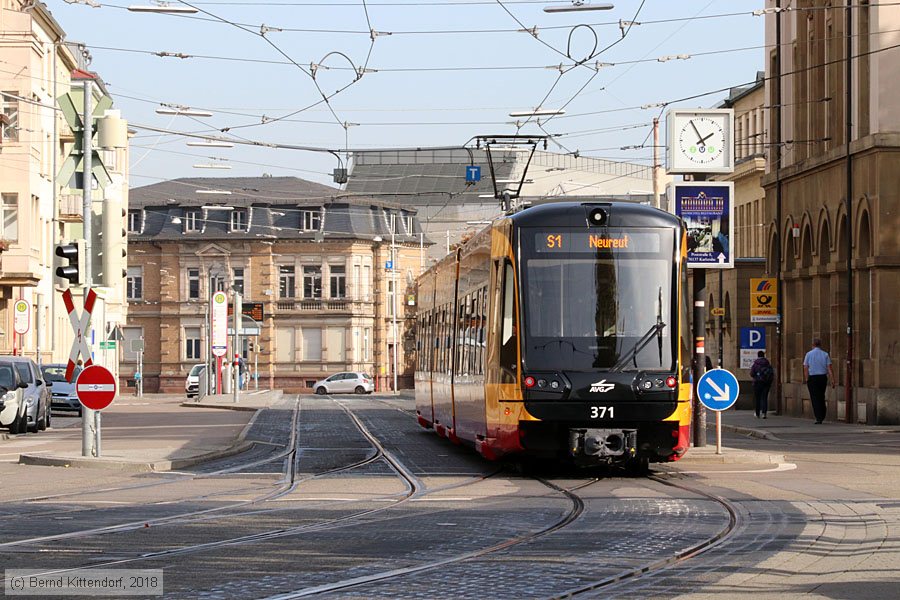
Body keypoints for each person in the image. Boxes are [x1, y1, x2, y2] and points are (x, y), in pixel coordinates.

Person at [803, 338, 835, 424]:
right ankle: (822, 413)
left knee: (814, 397)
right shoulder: (825, 354)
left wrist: (806, 378)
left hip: (812, 378)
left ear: (813, 345)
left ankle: (818, 417)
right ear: (820, 345)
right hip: (822, 377)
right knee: (821, 396)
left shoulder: (808, 354)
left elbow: (806, 367)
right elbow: (829, 368)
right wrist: (832, 379)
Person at [749, 350, 774, 419]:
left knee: (757, 398)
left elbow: (751, 374)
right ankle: (764, 413)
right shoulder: (767, 363)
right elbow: (771, 373)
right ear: (764, 355)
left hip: (757, 383)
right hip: (766, 383)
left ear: (758, 355)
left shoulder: (755, 364)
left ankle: (757, 413)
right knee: (764, 398)